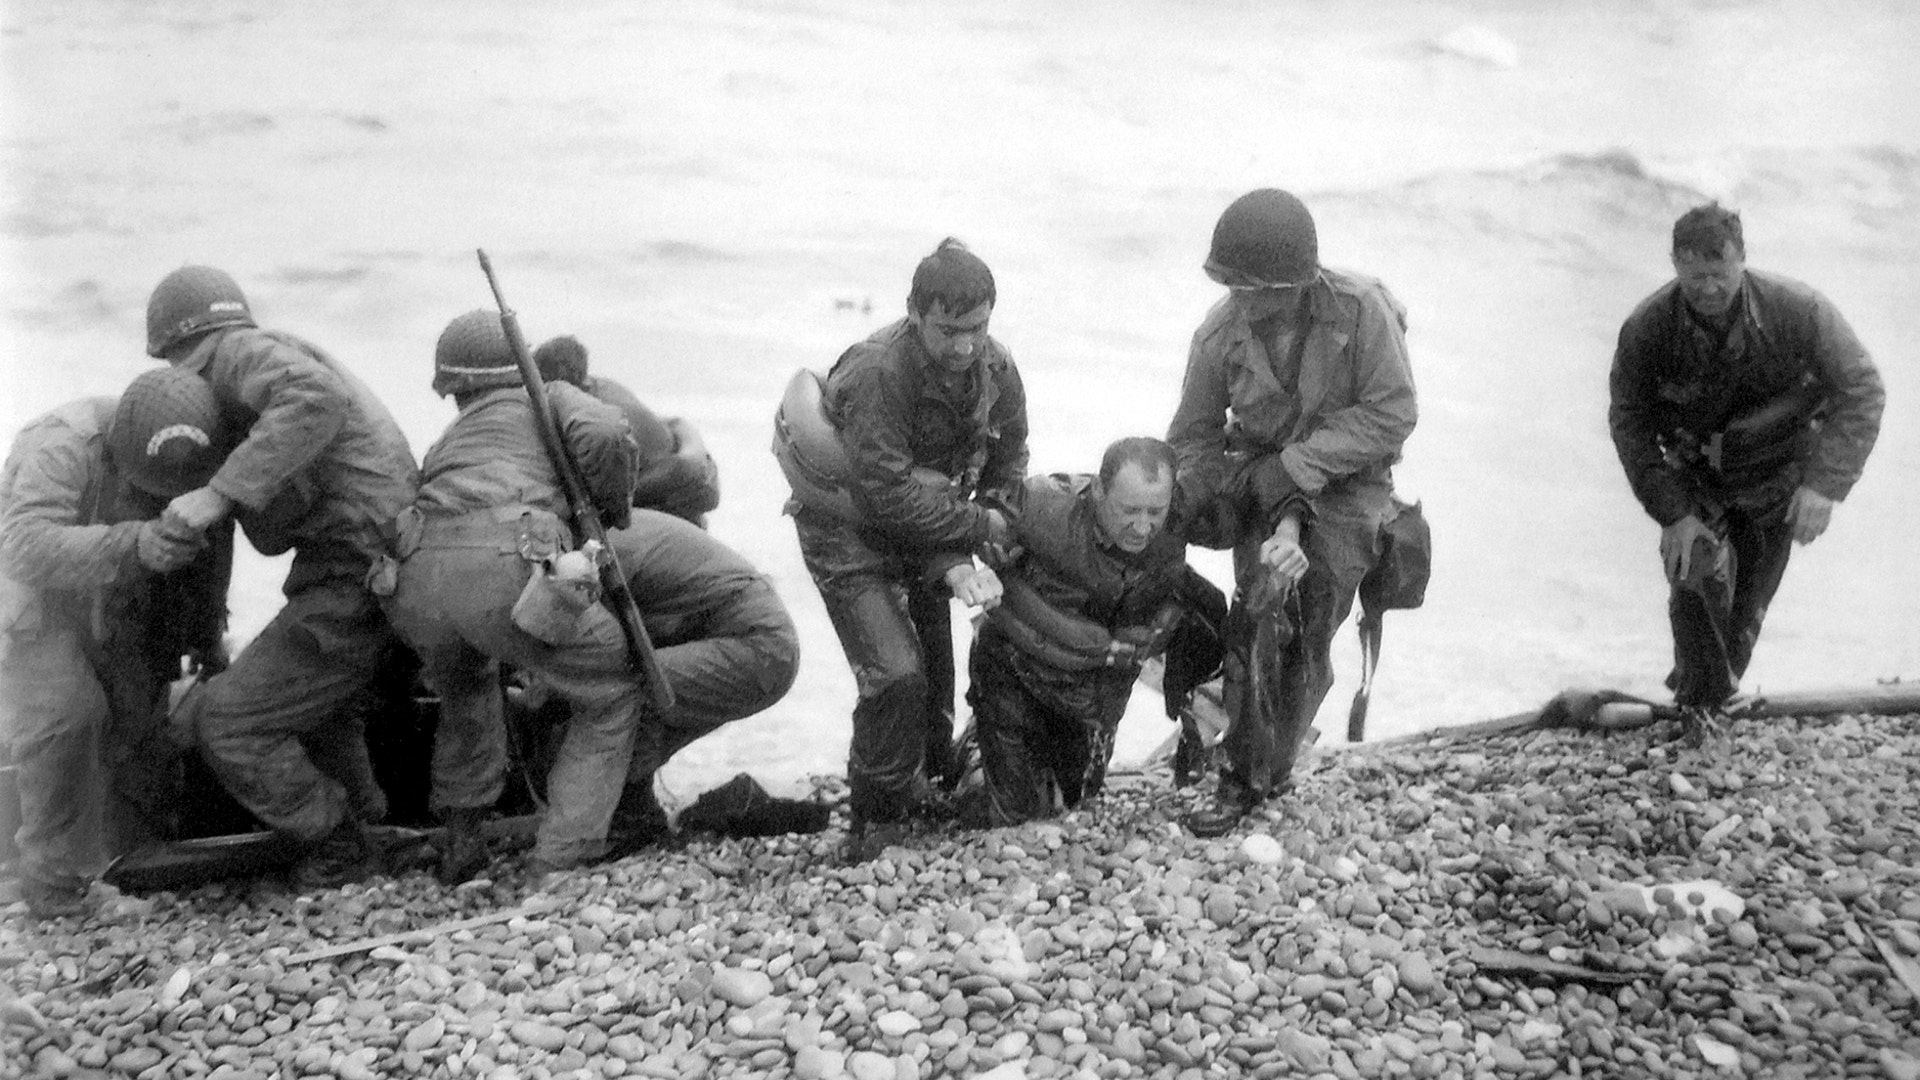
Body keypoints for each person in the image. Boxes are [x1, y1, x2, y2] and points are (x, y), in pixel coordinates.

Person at [144, 265, 419, 888]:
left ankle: (339, 842)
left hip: (357, 570)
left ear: (177, 347)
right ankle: (370, 832)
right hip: (365, 564)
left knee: (228, 722)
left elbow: (314, 398)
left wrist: (217, 495)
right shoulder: (261, 360)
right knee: (319, 709)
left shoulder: (237, 354)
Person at [1166, 189, 1418, 837]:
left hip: (1348, 483)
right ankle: (1235, 741)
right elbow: (1190, 439)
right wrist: (1189, 506)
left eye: (1257, 289)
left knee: (1308, 613)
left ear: (1300, 283)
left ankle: (1258, 767)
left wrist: (1298, 470)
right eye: (1233, 287)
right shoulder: (1218, 334)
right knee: (1258, 606)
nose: (1243, 301)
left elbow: (1393, 415)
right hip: (1258, 471)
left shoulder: (1361, 314)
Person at [785, 238, 1027, 859]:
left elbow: (1010, 455)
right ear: (916, 314)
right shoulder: (877, 374)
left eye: (977, 327)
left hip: (935, 524)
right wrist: (977, 530)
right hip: (848, 530)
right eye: (949, 330)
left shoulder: (996, 368)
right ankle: (874, 817)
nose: (965, 345)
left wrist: (998, 513)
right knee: (895, 673)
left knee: (936, 674)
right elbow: (886, 497)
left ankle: (928, 775)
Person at [1608, 204, 1884, 745]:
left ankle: (1714, 698)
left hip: (1780, 474)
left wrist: (1825, 486)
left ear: (1742, 259)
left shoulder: (1799, 310)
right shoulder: (1647, 329)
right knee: (1693, 576)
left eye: (1720, 274)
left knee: (1744, 617)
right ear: (1674, 266)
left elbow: (1863, 389)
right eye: (1694, 278)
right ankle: (1700, 707)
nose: (1709, 288)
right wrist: (1674, 513)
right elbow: (1629, 425)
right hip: (1697, 477)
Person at [1, 368, 232, 918]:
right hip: (29, 586)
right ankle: (56, 884)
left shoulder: (199, 451)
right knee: (68, 714)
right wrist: (137, 540)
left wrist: (203, 633)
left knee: (138, 716)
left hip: (115, 581)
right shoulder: (61, 445)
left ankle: (135, 860)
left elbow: (211, 539)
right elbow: (23, 546)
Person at [952, 437, 1218, 826]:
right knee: (1014, 814)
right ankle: (977, 744)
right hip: (1016, 670)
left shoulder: (1179, 518)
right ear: (1097, 489)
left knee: (1075, 799)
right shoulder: (1042, 504)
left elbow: (1243, 507)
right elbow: (964, 524)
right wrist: (976, 564)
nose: (1142, 527)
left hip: (1093, 692)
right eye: (1128, 510)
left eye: (1154, 512)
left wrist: (1286, 531)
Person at [532, 335, 722, 526]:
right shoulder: (598, 386)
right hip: (681, 473)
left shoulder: (598, 412)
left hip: (672, 488)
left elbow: (611, 489)